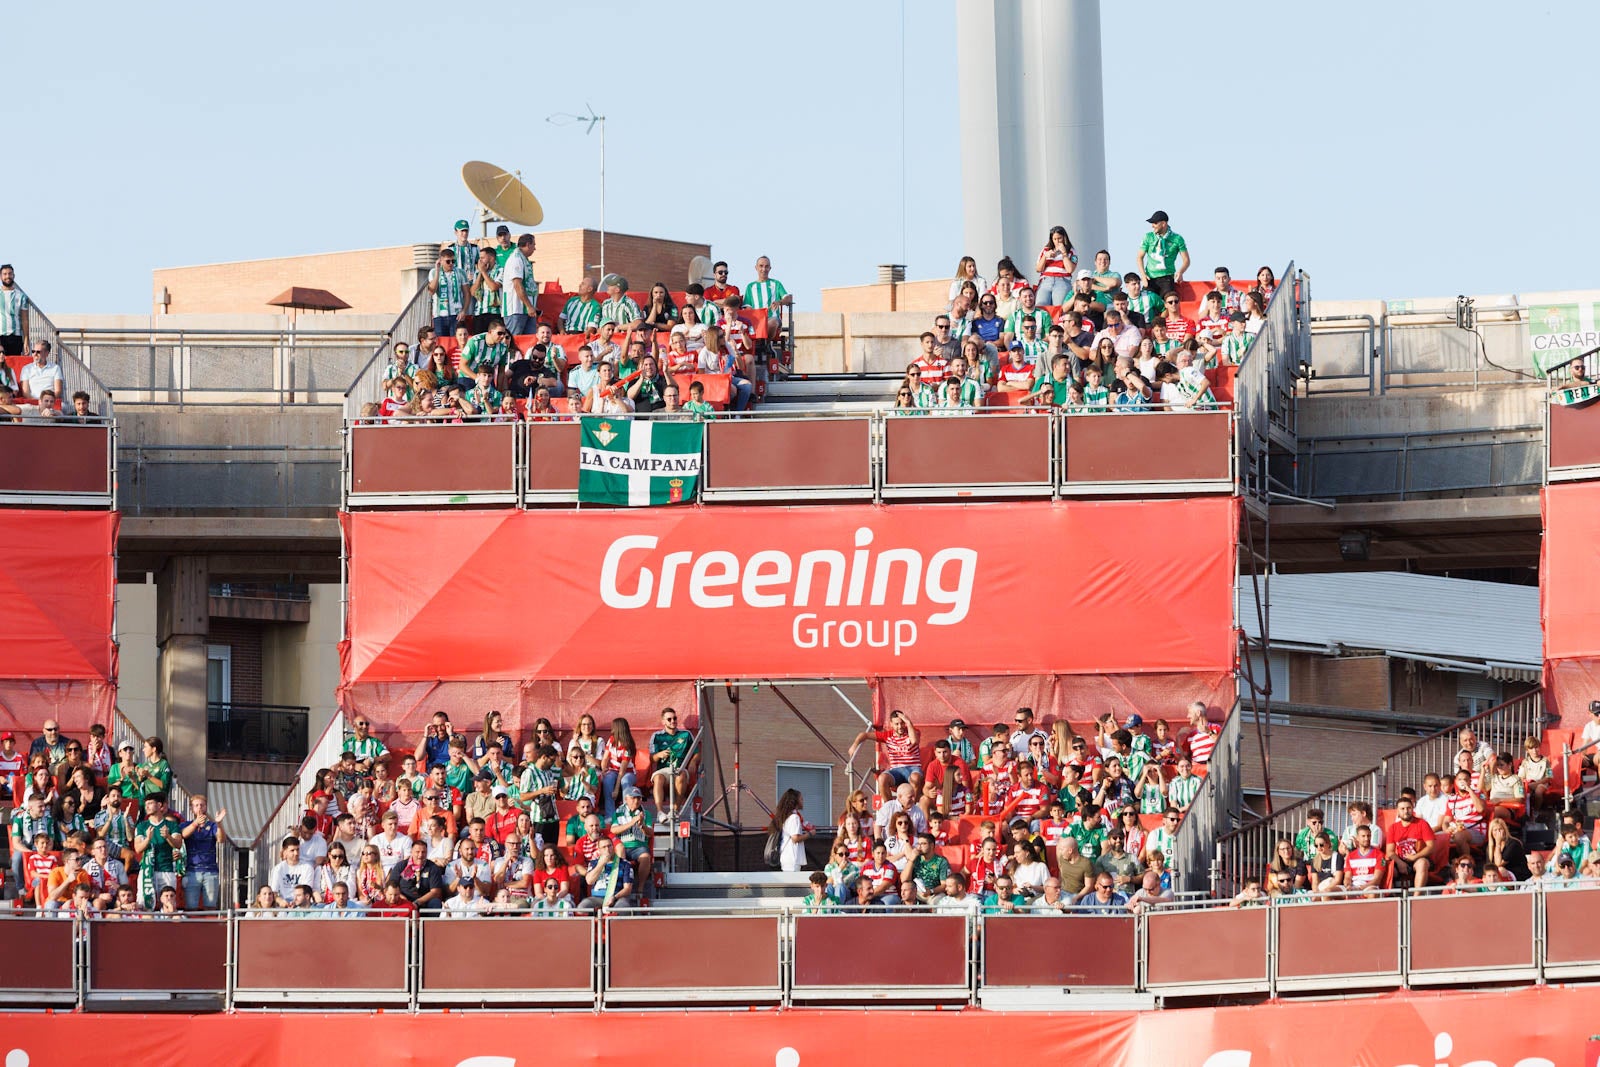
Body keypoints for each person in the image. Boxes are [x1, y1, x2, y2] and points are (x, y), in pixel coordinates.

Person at [847, 710, 924, 802]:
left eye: (902, 723)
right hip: (896, 770)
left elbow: (914, 741)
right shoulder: (887, 736)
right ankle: (890, 807)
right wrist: (854, 745)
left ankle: (912, 807)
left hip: (912, 769)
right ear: (891, 724)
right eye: (897, 724)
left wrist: (908, 722)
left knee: (915, 777)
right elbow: (864, 735)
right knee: (882, 778)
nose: (900, 727)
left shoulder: (913, 731)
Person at [180, 794, 225, 910]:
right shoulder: (185, 824)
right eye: (196, 805)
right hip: (192, 871)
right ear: (192, 809)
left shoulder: (213, 825)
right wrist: (195, 823)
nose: (199, 808)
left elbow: (221, 839)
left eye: (202, 805)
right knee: (190, 907)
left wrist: (219, 823)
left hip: (210, 871)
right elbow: (183, 835)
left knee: (210, 907)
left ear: (206, 807)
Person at [610, 786, 654, 900]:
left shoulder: (646, 813)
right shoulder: (618, 812)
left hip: (639, 846)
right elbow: (613, 830)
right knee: (618, 853)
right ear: (626, 799)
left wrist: (642, 825)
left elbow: (650, 833)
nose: (637, 801)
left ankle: (640, 888)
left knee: (645, 857)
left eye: (639, 798)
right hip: (622, 845)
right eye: (634, 798)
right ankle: (617, 888)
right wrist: (632, 823)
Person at [1136, 210, 1189, 298]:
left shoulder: (1177, 239)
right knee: (1147, 303)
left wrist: (1180, 272)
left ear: (1164, 223)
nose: (1152, 226)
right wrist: (1143, 275)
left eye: (1155, 223)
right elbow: (1139, 257)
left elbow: (1186, 260)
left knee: (1169, 303)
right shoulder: (1148, 237)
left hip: (1167, 278)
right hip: (1150, 278)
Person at [386, 840, 445, 913]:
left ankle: (431, 924)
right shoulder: (401, 866)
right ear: (411, 852)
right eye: (417, 852)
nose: (420, 855)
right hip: (403, 900)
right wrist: (403, 900)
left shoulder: (433, 867)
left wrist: (418, 902)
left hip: (424, 901)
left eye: (423, 852)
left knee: (435, 902)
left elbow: (436, 891)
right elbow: (391, 886)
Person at [577, 836, 633, 912]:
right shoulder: (594, 863)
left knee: (622, 908)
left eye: (609, 846)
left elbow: (627, 889)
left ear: (613, 847)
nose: (607, 849)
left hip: (617, 897)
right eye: (604, 847)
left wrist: (614, 897)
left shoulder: (625, 864)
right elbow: (589, 881)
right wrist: (601, 864)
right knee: (582, 907)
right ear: (599, 850)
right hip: (597, 897)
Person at [427, 245, 468, 339]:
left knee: (456, 342)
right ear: (441, 261)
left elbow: (467, 293)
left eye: (453, 261)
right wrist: (437, 271)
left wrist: (464, 311)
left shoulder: (460, 272)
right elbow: (432, 291)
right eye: (448, 261)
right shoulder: (433, 272)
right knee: (441, 343)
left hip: (456, 315)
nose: (451, 264)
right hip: (439, 315)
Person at [501, 233, 537, 336]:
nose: (535, 248)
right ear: (528, 244)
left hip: (526, 310)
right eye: (533, 245)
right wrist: (529, 306)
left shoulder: (524, 259)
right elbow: (517, 285)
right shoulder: (516, 259)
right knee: (514, 341)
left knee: (528, 341)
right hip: (516, 310)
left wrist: (532, 306)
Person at [772, 788, 811, 872]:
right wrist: (810, 834)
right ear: (795, 801)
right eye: (801, 799)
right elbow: (795, 838)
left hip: (788, 857)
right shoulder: (794, 817)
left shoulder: (788, 816)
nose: (803, 801)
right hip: (792, 857)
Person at [0, 264, 27, 356]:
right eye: (5, 274)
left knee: (13, 367)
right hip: (0, 336)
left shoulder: (21, 296)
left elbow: (24, 320)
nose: (7, 276)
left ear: (13, 276)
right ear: (1, 277)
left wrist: (26, 340)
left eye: (10, 274)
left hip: (16, 337)